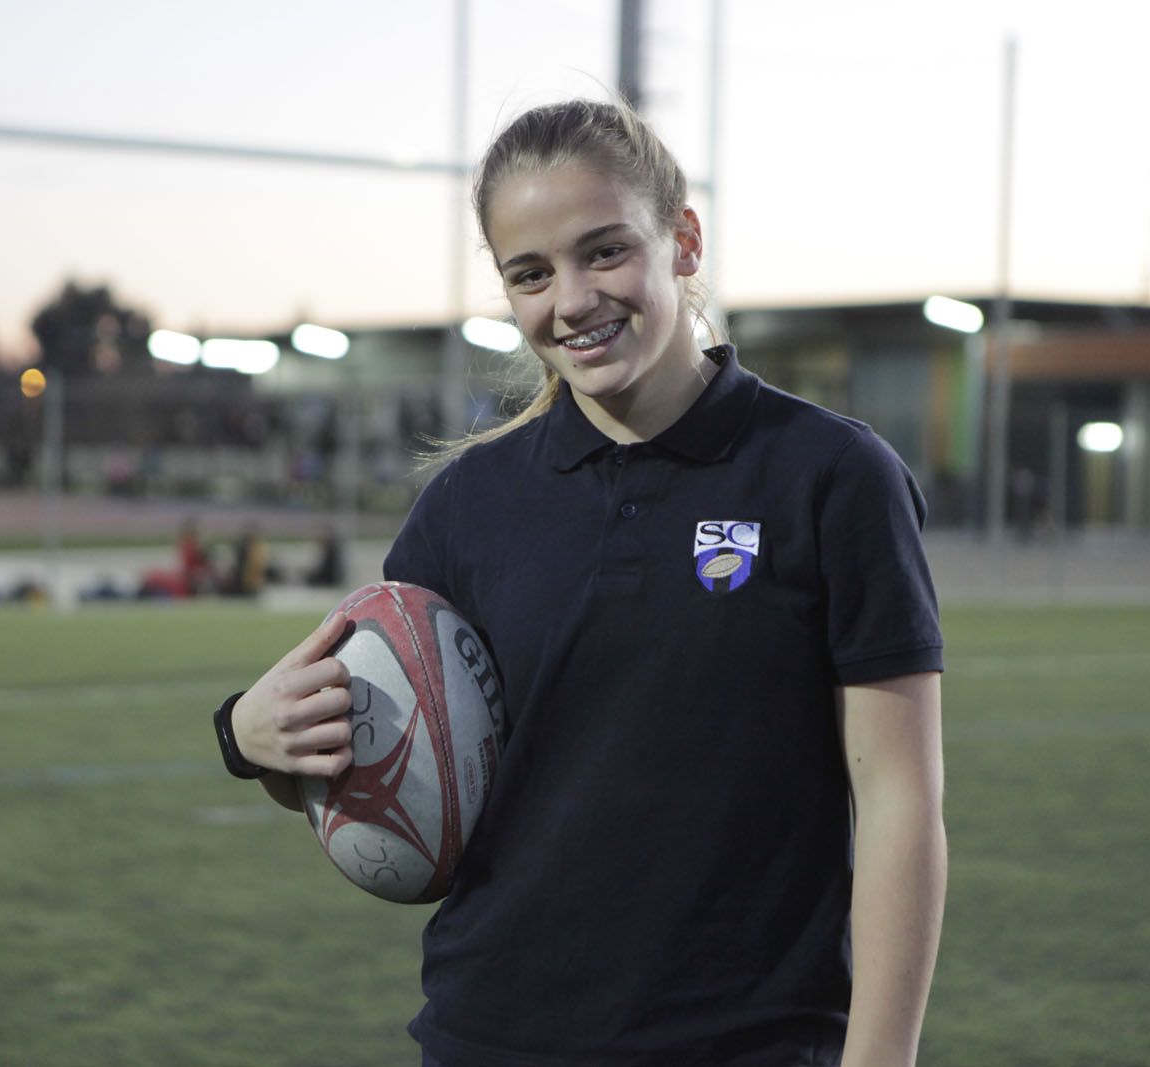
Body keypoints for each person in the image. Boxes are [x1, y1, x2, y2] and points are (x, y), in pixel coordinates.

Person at [213, 99, 946, 1067]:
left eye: (604, 251)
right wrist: (251, 736)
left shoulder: (828, 477)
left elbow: (898, 800)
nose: (570, 300)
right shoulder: (466, 505)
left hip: (748, 1042)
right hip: (489, 1035)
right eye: (530, 273)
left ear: (681, 240)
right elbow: (382, 750)